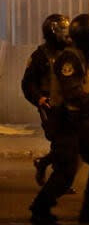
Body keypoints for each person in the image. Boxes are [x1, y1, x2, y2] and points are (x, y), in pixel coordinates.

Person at [28, 13, 89, 225]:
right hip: (66, 121)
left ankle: (88, 210)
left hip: (84, 120)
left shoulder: (86, 58)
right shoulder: (70, 58)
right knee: (66, 171)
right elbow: (73, 93)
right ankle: (40, 209)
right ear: (87, 38)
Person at [21, 14, 71, 187]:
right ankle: (59, 180)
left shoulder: (70, 52)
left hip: (69, 102)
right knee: (60, 140)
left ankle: (44, 164)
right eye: (62, 31)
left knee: (68, 141)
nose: (67, 35)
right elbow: (28, 83)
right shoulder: (40, 55)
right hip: (49, 103)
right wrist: (39, 99)